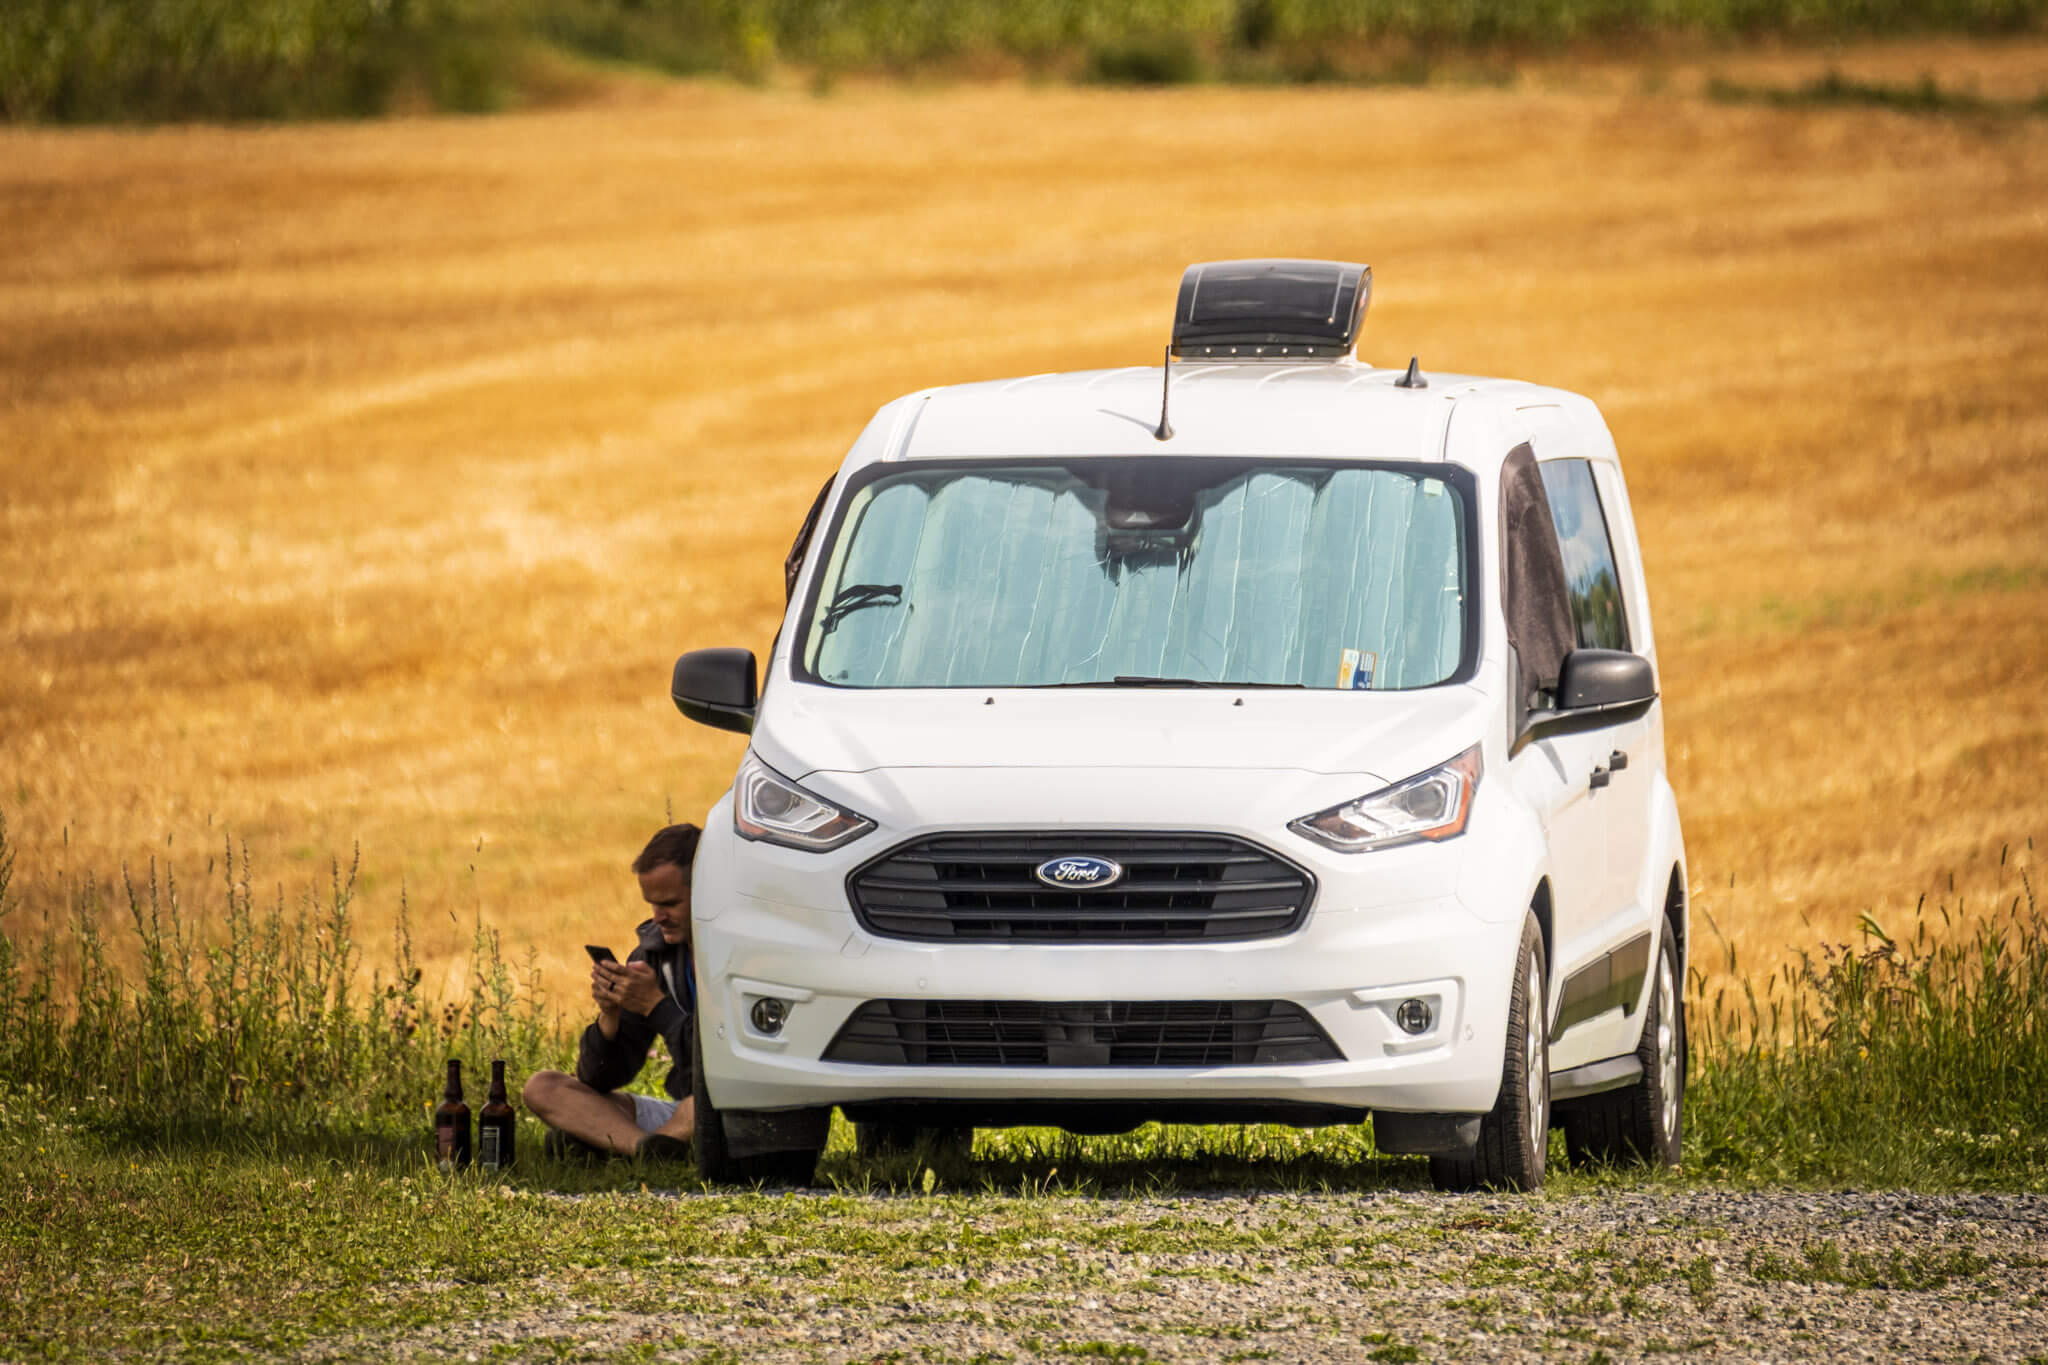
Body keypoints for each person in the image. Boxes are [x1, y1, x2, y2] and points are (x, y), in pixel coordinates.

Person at [523, 824, 701, 1162]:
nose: (657, 917)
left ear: (706, 888)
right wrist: (610, 1017)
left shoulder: (738, 953)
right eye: (651, 904)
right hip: (683, 1111)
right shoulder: (652, 956)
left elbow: (718, 1068)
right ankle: (646, 1149)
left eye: (670, 904)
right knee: (543, 1087)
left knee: (703, 1101)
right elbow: (600, 1080)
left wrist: (656, 1006)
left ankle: (615, 1143)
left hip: (722, 1103)